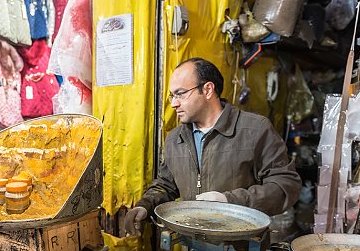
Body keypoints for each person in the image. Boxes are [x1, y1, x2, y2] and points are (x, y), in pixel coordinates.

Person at [124, 57, 301, 236]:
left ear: (208, 90)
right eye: (172, 95)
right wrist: (144, 207)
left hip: (241, 249)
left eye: (180, 94)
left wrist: (229, 200)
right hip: (191, 245)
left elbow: (285, 186)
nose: (173, 103)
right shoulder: (175, 138)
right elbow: (166, 185)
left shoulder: (255, 130)